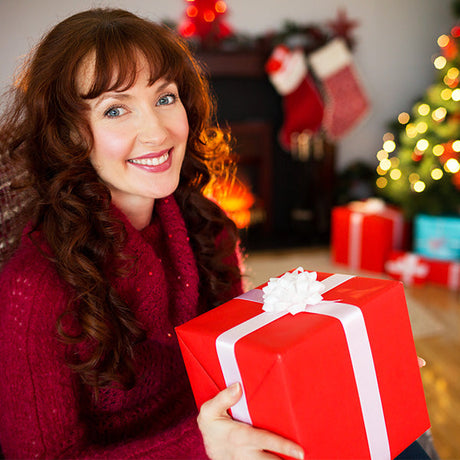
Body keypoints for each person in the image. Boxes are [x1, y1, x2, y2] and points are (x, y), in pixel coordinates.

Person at [0, 8, 305, 460]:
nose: (157, 131)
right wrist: (199, 447)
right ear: (68, 135)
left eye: (165, 98)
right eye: (116, 109)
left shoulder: (208, 228)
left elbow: (237, 368)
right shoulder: (35, 288)